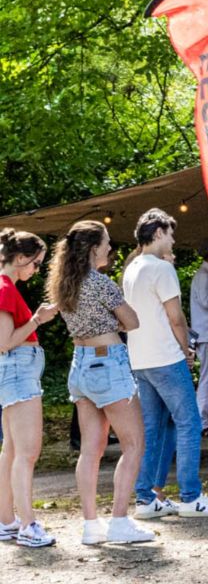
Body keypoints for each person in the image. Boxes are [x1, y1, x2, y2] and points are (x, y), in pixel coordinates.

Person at [47, 220, 156, 545]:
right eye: (107, 242)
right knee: (134, 443)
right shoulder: (101, 283)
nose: (110, 247)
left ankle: (91, 525)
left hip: (80, 365)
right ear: (94, 248)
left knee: (90, 451)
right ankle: (120, 521)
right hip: (108, 362)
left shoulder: (64, 284)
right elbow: (132, 321)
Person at [122, 209, 208, 520]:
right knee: (190, 423)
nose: (173, 240)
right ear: (157, 233)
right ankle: (191, 496)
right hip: (166, 357)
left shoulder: (131, 269)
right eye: (170, 234)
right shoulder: (161, 269)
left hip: (140, 358)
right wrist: (186, 349)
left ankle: (145, 499)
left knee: (152, 428)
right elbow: (176, 316)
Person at [0, 229, 59, 548]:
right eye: (35, 264)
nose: (36, 270)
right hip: (18, 370)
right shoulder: (5, 289)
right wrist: (37, 320)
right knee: (27, 452)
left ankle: (8, 521)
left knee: (11, 450)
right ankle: (27, 525)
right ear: (20, 259)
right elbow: (5, 343)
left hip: (14, 372)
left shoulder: (6, 287)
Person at [189, 241, 208, 435]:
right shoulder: (204, 275)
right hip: (207, 332)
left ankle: (207, 416)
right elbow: (207, 301)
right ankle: (202, 420)